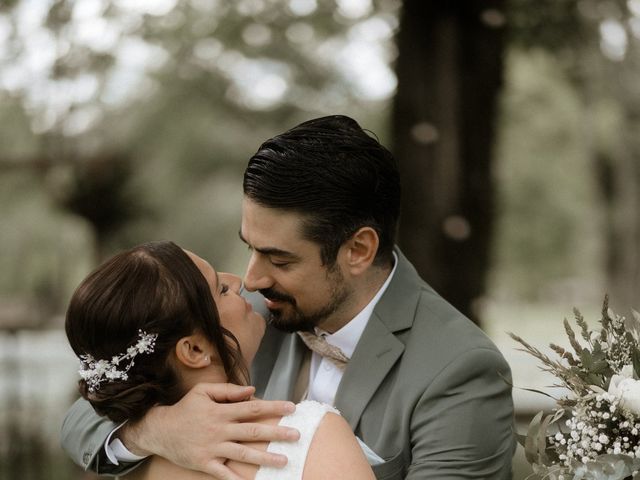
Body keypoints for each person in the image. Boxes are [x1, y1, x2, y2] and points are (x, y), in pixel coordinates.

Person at [62, 115, 515, 479]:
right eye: (249, 247)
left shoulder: (459, 371)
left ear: (358, 250)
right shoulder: (242, 318)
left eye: (279, 260)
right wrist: (159, 431)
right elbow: (84, 415)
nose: (251, 279)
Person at [64, 240, 375, 479]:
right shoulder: (310, 435)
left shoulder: (137, 466)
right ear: (194, 350)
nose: (241, 282)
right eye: (222, 289)